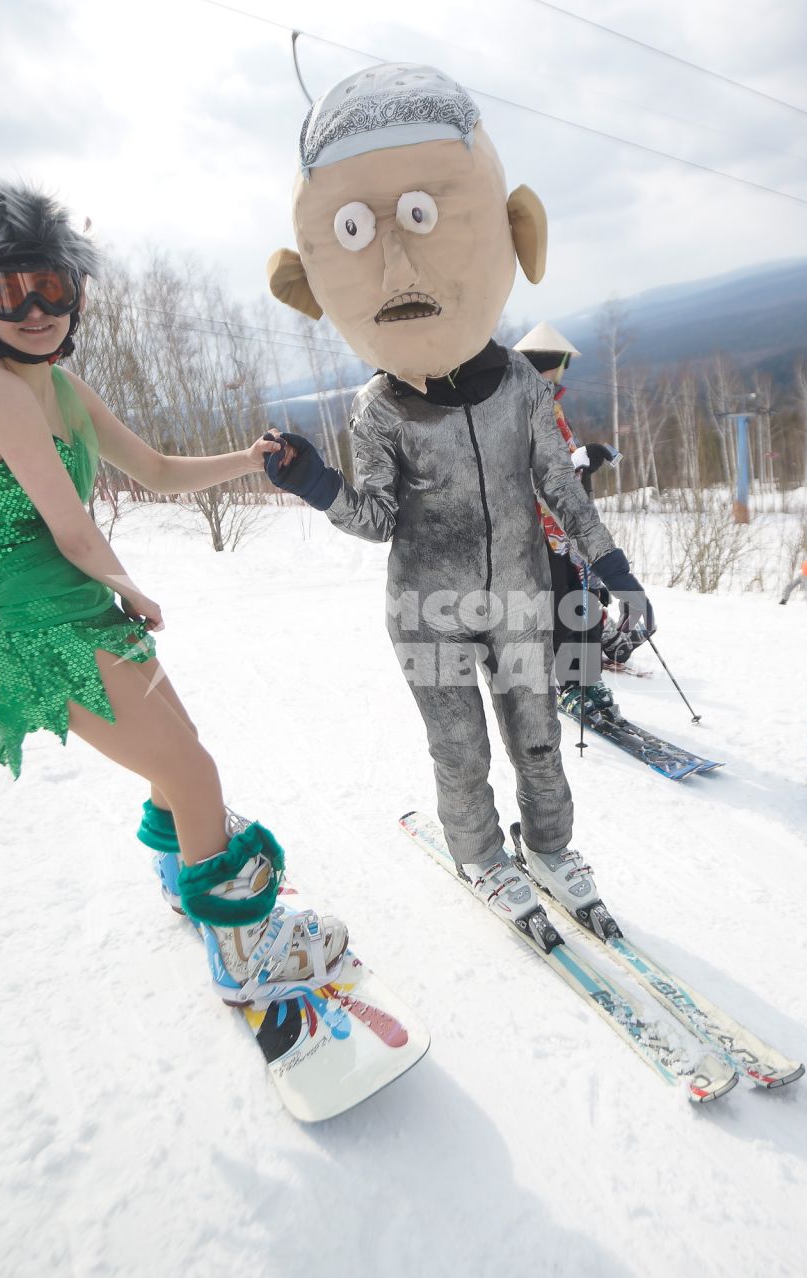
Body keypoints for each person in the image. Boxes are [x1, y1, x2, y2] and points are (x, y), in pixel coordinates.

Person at [0, 181, 350, 1011]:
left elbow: (154, 469)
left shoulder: (52, 384)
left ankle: (184, 881)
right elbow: (74, 530)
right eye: (7, 291)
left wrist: (250, 459)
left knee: (180, 756)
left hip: (81, 607)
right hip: (38, 625)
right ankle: (243, 955)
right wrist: (129, 586)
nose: (36, 310)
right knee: (194, 774)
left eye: (52, 286)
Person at [261, 63, 652, 930]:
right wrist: (317, 482)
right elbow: (376, 519)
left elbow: (560, 484)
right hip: (428, 607)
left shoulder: (516, 383)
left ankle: (550, 847)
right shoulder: (379, 405)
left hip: (518, 595)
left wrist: (615, 571)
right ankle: (481, 855)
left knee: (539, 737)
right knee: (460, 747)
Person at [513, 321, 627, 722]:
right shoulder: (522, 408)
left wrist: (586, 458)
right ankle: (569, 684)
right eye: (559, 366)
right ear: (547, 366)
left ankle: (587, 678)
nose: (561, 374)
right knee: (564, 602)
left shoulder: (551, 406)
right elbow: (536, 469)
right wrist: (583, 458)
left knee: (588, 600)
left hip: (568, 527)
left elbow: (566, 459)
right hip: (540, 530)